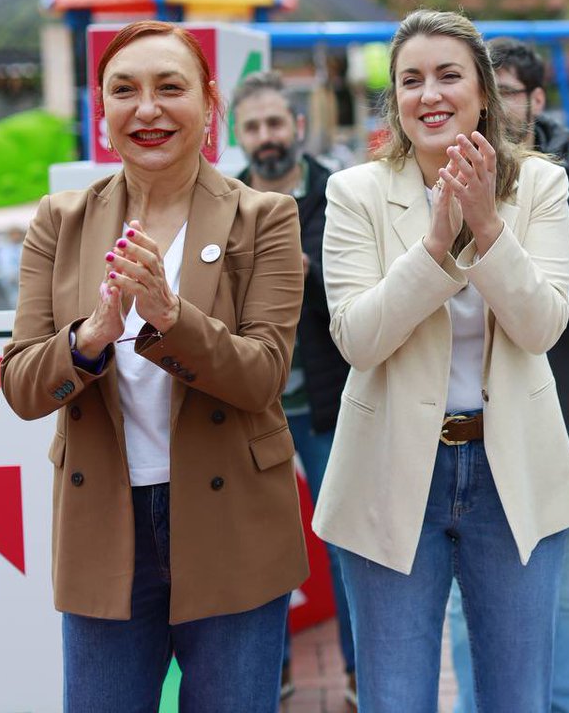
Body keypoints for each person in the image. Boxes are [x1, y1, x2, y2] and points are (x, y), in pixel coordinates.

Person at [0, 20, 308, 712]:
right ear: (101, 113)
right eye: (124, 91)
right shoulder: (60, 222)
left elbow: (263, 376)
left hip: (234, 525)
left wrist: (172, 319)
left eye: (170, 88)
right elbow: (22, 384)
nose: (147, 109)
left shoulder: (265, 217)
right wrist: (91, 335)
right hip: (103, 523)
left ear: (209, 105)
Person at [312, 9, 569, 711]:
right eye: (410, 81)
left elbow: (541, 326)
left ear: (485, 93)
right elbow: (358, 338)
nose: (428, 94)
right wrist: (435, 247)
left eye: (447, 76)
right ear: (395, 101)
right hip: (389, 469)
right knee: (396, 696)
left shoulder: (541, 185)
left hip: (511, 468)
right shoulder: (354, 193)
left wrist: (487, 227)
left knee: (516, 697)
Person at [446, 37, 569, 713]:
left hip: (563, 406)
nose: (500, 108)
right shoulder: (445, 177)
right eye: (487, 93)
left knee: (568, 586)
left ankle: (564, 704)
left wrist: (535, 274)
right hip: (471, 415)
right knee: (463, 596)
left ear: (537, 99)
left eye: (512, 92)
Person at [232, 70, 356, 704]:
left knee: (344, 541)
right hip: (254, 408)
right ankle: (270, 673)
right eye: (253, 127)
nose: (266, 137)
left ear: (298, 127)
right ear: (238, 136)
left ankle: (360, 677)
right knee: (261, 550)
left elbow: (362, 291)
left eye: (275, 123)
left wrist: (302, 272)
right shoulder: (224, 202)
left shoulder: (339, 195)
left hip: (329, 403)